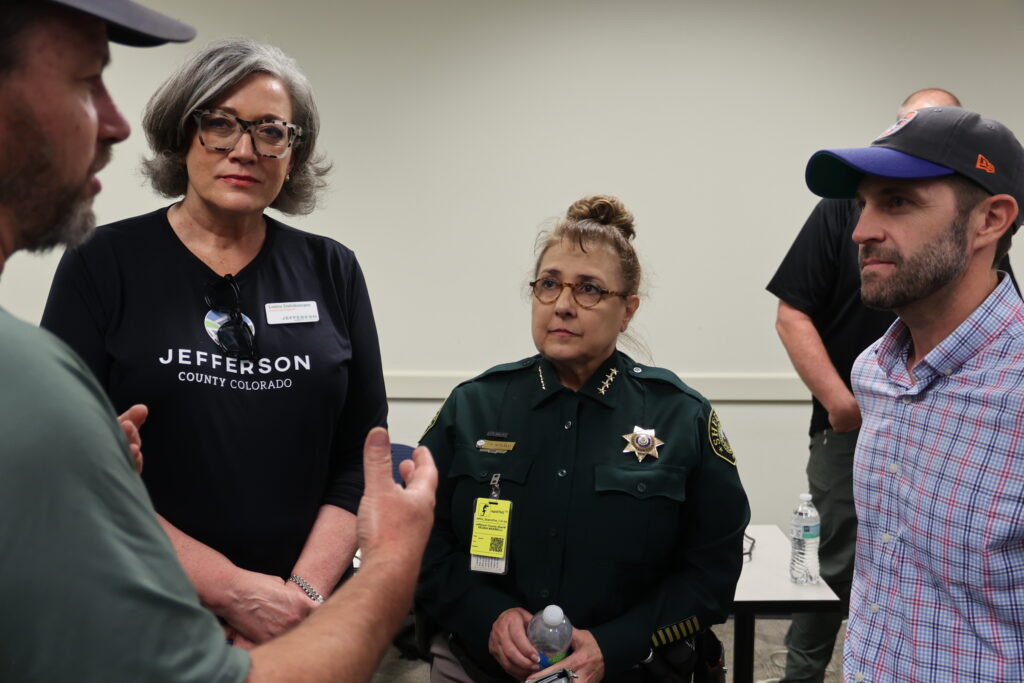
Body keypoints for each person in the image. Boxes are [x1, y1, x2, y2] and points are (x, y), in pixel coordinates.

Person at [0, 1, 437, 681]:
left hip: (306, 610)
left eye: (271, 131)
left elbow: (362, 456)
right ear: (183, 133)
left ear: (292, 153)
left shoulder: (332, 269)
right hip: (149, 605)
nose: (245, 149)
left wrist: (301, 598)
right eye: (220, 122)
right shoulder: (103, 261)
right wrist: (231, 588)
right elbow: (91, 462)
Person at [416, 195, 750, 683]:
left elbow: (712, 575)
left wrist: (614, 643)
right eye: (549, 285)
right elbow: (420, 541)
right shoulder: (475, 407)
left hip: (632, 670)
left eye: (589, 289)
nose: (564, 306)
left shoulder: (681, 416)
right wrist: (486, 615)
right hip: (482, 667)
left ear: (627, 311)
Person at [764, 87, 1018, 683]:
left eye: (898, 202)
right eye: (862, 205)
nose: (861, 231)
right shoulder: (875, 372)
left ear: (990, 220)